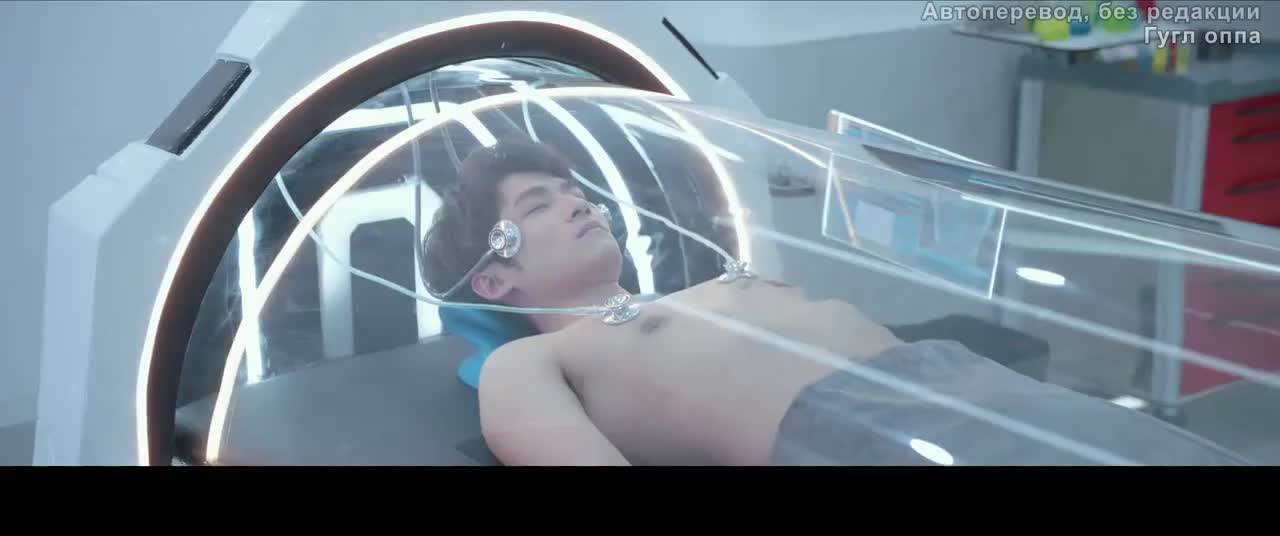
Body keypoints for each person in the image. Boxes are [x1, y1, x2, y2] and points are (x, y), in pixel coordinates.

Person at [422, 138, 1249, 466]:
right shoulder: (532, 361)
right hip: (854, 431)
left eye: (575, 190)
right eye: (539, 205)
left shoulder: (699, 289)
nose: (579, 203)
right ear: (493, 280)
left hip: (960, 379)